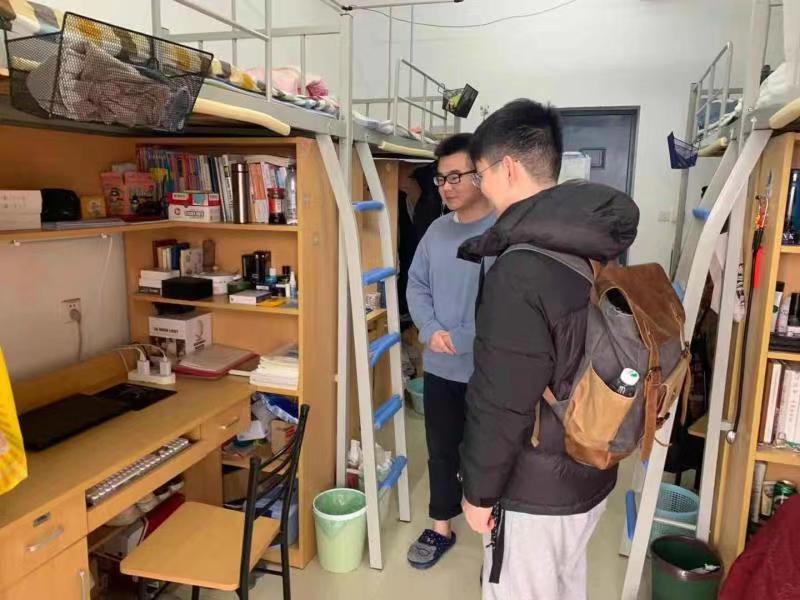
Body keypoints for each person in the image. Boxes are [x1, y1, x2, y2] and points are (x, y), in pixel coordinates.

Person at [458, 99, 639, 599]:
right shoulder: (591, 245)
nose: (480, 187)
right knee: (566, 584)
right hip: (587, 469)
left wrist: (478, 492)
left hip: (535, 491)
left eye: (479, 174)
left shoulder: (520, 269)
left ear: (508, 168)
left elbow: (501, 399)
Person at [405, 133, 496, 569]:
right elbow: (416, 284)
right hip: (440, 367)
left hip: (487, 370)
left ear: (481, 174)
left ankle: (495, 538)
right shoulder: (436, 232)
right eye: (441, 178)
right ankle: (441, 525)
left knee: (488, 455)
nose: (446, 186)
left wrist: (459, 336)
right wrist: (429, 328)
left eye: (456, 176)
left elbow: (504, 305)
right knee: (441, 450)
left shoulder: (502, 231)